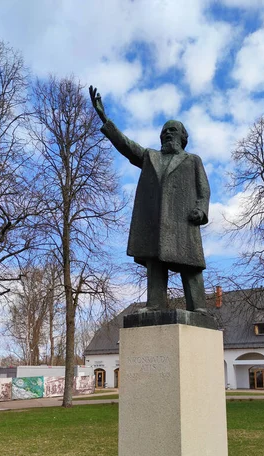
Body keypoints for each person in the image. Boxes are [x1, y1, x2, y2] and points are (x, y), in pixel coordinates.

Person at [90, 86, 210, 313]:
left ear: (183, 138)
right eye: (164, 131)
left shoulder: (193, 160)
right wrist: (105, 119)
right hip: (156, 222)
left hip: (183, 222)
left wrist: (201, 210)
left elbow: (204, 190)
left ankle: (198, 309)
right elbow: (126, 145)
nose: (167, 134)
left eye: (172, 130)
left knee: (191, 265)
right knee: (154, 263)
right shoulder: (150, 157)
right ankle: (155, 305)